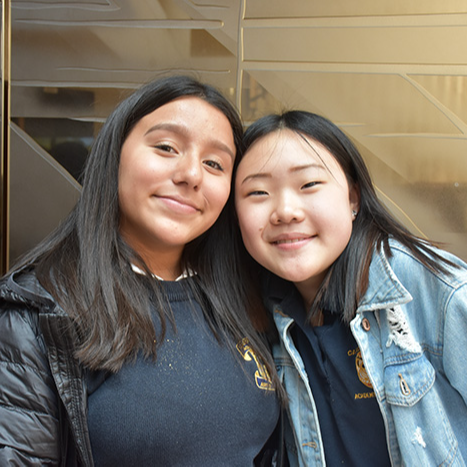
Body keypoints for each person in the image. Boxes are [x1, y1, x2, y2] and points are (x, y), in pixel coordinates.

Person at [0, 75, 283, 466]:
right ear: (114, 153)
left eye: (214, 163)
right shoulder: (39, 313)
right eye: (166, 147)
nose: (191, 174)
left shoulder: (245, 297)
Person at [234, 110, 467, 466]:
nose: (285, 211)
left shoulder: (429, 286)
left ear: (353, 198)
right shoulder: (260, 314)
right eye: (258, 192)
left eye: (309, 185)